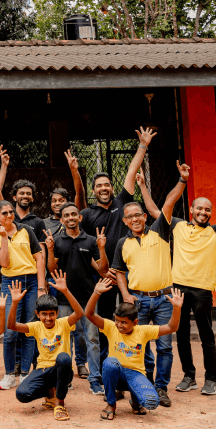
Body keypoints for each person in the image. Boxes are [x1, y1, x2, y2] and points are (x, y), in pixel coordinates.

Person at [76, 127, 156, 384]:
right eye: (98, 185)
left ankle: (136, 369)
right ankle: (104, 372)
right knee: (104, 326)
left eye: (107, 184)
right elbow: (83, 245)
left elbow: (132, 172)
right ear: (94, 189)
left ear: (112, 187)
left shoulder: (123, 202)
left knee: (133, 324)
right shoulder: (87, 215)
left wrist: (142, 146)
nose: (103, 188)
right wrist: (100, 269)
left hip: (128, 275)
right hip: (103, 278)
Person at [143, 164, 216, 396]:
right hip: (178, 290)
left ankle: (211, 379)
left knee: (207, 336)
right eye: (200, 209)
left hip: (202, 291)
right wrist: (142, 187)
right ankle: (189, 376)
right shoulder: (178, 226)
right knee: (182, 334)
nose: (204, 213)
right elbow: (155, 210)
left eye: (207, 210)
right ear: (192, 210)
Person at [111, 195, 178, 408]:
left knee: (165, 346)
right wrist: (125, 294)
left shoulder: (160, 231)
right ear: (125, 221)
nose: (134, 219)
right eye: (129, 217)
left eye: (138, 215)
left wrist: (182, 180)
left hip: (164, 298)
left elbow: (168, 203)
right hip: (138, 299)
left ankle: (161, 387)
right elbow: (119, 272)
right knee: (141, 344)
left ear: (145, 216)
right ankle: (145, 383)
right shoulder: (123, 243)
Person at [84, 278, 183, 420]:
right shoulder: (111, 328)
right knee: (109, 363)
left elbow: (171, 327)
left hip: (135, 375)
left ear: (135, 322)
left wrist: (177, 308)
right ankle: (111, 405)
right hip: (115, 373)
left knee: (151, 402)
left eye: (124, 322)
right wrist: (96, 292)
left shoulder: (143, 331)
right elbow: (89, 314)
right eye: (117, 320)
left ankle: (135, 402)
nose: (119, 325)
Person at [45, 203, 108, 390]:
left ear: (79, 218)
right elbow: (52, 269)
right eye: (67, 215)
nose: (71, 217)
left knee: (92, 339)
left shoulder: (90, 241)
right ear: (62, 219)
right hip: (64, 299)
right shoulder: (57, 241)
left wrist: (102, 248)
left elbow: (102, 269)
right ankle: (66, 378)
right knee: (65, 340)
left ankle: (95, 379)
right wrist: (49, 249)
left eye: (74, 214)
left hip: (88, 298)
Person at [10, 271, 86, 421]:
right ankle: (50, 393)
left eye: (52, 314)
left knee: (64, 358)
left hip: (62, 370)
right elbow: (11, 325)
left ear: (57, 313)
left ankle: (59, 403)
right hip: (43, 370)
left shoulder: (63, 323)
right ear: (38, 314)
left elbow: (79, 313)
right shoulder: (36, 326)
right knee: (22, 394)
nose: (48, 318)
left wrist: (65, 290)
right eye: (44, 314)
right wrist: (14, 302)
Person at [0, 199, 46, 390]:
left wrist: (40, 288)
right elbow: (3, 263)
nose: (9, 215)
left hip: (30, 281)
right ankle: (9, 375)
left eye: (11, 212)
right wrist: (4, 237)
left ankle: (25, 373)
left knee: (29, 329)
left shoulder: (26, 230)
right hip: (10, 282)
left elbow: (39, 257)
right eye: (4, 213)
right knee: (10, 331)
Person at [43, 149, 86, 235]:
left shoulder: (75, 218)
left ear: (69, 203)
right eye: (54, 201)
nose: (57, 203)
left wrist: (74, 171)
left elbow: (80, 195)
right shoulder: (43, 223)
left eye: (61, 200)